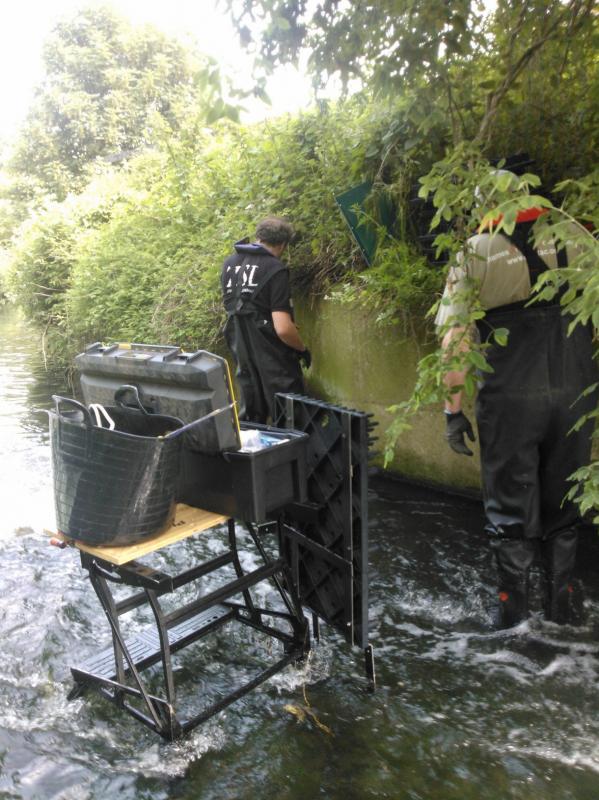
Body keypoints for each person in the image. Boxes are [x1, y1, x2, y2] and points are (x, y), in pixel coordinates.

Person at [436, 178, 598, 628]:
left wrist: (453, 412)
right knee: (565, 504)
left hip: (510, 397)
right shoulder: (577, 234)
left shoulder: (474, 252)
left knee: (510, 508)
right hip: (577, 389)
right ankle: (562, 614)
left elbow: (456, 342)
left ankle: (514, 624)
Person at [221, 216, 311, 424]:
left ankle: (254, 452)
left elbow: (237, 306)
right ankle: (291, 452)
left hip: (240, 348)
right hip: (271, 354)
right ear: (282, 245)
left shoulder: (229, 264)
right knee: (288, 411)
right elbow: (282, 328)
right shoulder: (274, 268)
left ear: (259, 237)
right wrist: (302, 349)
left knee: (252, 408)